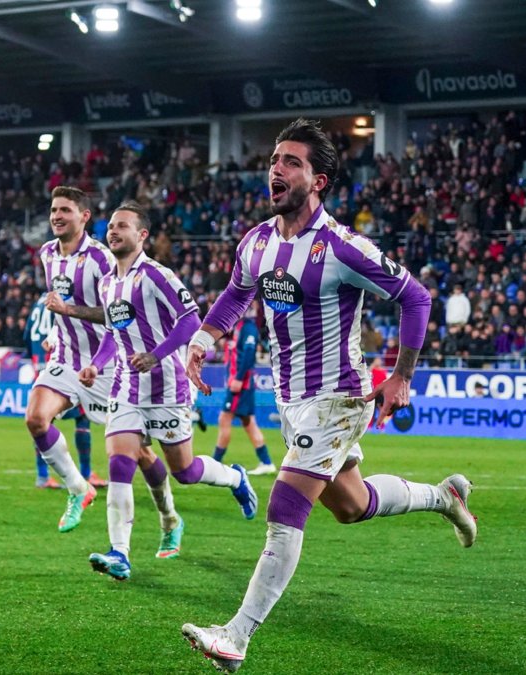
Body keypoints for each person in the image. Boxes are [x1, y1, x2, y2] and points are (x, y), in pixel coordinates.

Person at [180, 119, 477, 673]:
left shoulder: (341, 246)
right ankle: (443, 497)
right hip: (293, 401)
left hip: (338, 397)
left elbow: (417, 297)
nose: (276, 168)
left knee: (285, 504)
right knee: (350, 504)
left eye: (291, 162)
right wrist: (201, 340)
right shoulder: (257, 242)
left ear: (318, 181)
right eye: (275, 158)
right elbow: (235, 295)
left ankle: (236, 635)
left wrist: (401, 375)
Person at [77, 202, 259, 581]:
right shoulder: (108, 281)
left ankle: (236, 478)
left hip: (169, 389)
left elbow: (191, 320)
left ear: (141, 235)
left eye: (122, 226)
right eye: (110, 226)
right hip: (127, 388)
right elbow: (114, 333)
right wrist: (96, 363)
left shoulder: (157, 275)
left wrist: (157, 356)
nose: (113, 232)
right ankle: (120, 553)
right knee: (119, 464)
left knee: (186, 472)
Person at [25, 186, 115, 532]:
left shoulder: (101, 258)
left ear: (84, 216)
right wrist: (56, 329)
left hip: (105, 364)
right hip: (65, 359)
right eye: (53, 210)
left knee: (149, 456)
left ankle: (173, 514)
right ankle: (78, 488)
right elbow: (61, 305)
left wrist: (68, 310)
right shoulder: (47, 253)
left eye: (64, 210)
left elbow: (115, 315)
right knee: (35, 418)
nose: (56, 216)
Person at [23, 294, 105, 490]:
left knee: (43, 420)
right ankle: (85, 473)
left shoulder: (38, 302)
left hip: (40, 363)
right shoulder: (62, 298)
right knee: (81, 419)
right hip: (63, 363)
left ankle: (43, 476)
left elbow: (27, 335)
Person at [213, 303, 276, 475]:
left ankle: (215, 462)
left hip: (241, 384)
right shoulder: (239, 327)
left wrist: (239, 379)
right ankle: (266, 462)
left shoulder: (248, 328)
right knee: (249, 423)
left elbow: (249, 354)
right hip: (240, 383)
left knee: (224, 419)